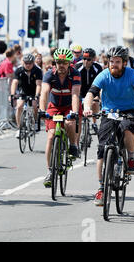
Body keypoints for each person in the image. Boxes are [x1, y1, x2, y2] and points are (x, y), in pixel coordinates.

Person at [82, 46, 134, 206]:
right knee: (102, 149)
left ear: (124, 63)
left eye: (117, 62)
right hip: (108, 111)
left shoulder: (132, 74)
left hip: (129, 110)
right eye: (111, 62)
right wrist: (87, 108)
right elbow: (91, 92)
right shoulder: (104, 75)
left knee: (127, 129)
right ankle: (101, 188)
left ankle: (130, 159)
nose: (114, 65)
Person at [39, 48, 81, 188]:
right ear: (55, 62)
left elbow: (75, 93)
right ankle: (50, 171)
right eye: (58, 62)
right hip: (54, 106)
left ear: (69, 63)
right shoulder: (49, 74)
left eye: (64, 62)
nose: (61, 65)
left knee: (69, 123)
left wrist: (74, 112)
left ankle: (73, 144)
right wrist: (41, 110)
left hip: (69, 105)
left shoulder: (75, 74)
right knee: (51, 137)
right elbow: (44, 92)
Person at [10, 53, 43, 137]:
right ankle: (19, 128)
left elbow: (39, 84)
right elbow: (15, 82)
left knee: (35, 105)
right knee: (19, 106)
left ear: (33, 63)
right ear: (23, 62)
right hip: (23, 91)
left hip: (33, 91)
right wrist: (12, 94)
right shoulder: (19, 70)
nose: (28, 65)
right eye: (26, 63)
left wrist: (37, 95)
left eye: (30, 63)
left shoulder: (38, 70)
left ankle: (34, 122)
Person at [74, 48, 103, 134]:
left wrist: (100, 97)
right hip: (80, 90)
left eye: (88, 59)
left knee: (95, 102)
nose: (86, 61)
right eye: (84, 58)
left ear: (93, 59)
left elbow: (101, 84)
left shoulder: (97, 67)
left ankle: (94, 123)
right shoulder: (77, 67)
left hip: (93, 90)